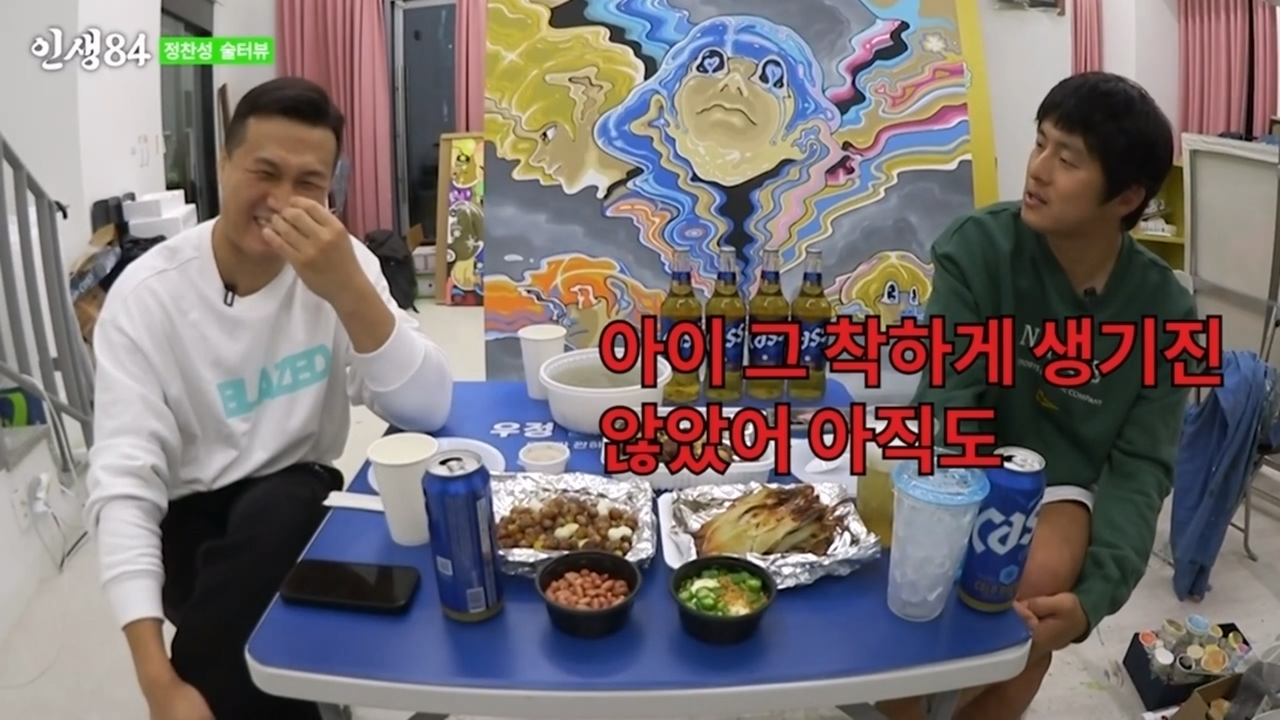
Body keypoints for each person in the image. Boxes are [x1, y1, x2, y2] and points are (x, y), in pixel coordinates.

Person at [84, 77, 453, 720]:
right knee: (259, 633)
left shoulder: (340, 264)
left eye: (309, 183)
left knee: (288, 508)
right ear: (223, 165)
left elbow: (427, 408)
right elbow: (123, 487)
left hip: (297, 497)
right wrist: (158, 683)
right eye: (264, 172)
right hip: (188, 517)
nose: (283, 201)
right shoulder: (146, 298)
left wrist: (348, 289)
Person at [878, 73, 1197, 720]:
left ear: (1126, 197)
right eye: (1040, 142)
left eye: (1068, 158)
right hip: (959, 459)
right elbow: (947, 403)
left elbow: (1141, 468)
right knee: (929, 612)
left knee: (1031, 595)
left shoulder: (1168, 314)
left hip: (1057, 484)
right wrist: (953, 528)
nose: (1038, 169)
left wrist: (1092, 600)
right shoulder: (979, 248)